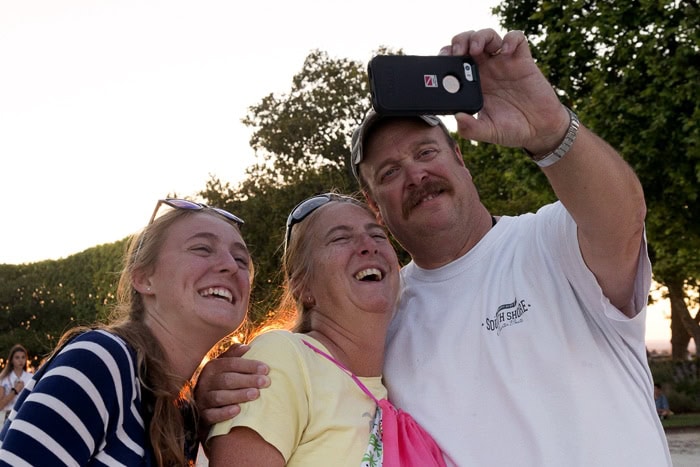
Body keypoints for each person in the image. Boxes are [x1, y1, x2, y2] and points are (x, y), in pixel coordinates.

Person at [196, 28, 673, 465]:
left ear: (459, 158)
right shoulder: (382, 319)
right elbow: (310, 387)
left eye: (425, 153)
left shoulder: (549, 240)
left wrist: (549, 128)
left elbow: (624, 218)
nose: (416, 175)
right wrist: (215, 387)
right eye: (389, 172)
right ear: (374, 204)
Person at [0, 198, 252, 466]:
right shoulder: (101, 361)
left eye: (241, 259)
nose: (231, 265)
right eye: (202, 248)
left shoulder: (181, 414)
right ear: (144, 278)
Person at [206, 193, 444, 466]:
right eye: (340, 238)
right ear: (302, 287)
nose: (369, 246)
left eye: (378, 235)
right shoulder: (285, 359)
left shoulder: (405, 379)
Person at [0, 345, 33, 424]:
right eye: (17, 357)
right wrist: (15, 391)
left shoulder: (31, 377)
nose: (21, 360)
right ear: (11, 360)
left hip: (25, 414)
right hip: (9, 415)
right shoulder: (4, 378)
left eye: (23, 357)